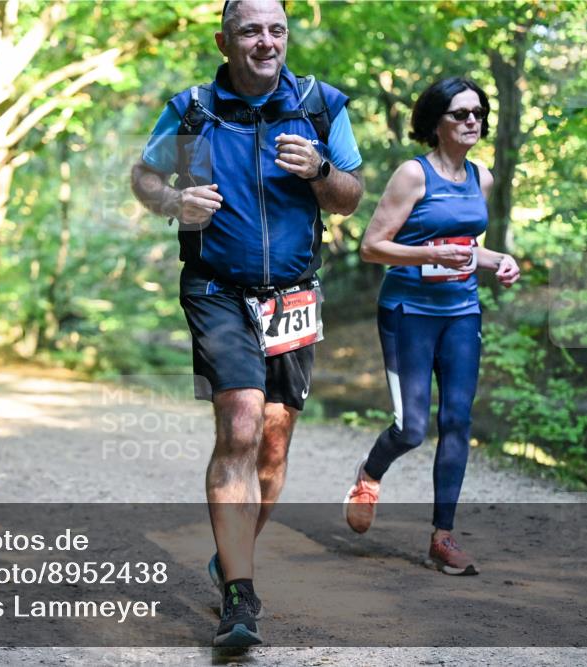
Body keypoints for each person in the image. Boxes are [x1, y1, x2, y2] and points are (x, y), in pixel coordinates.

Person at [130, 0, 363, 647]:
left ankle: (232, 555)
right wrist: (175, 200)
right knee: (240, 418)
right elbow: (144, 176)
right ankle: (241, 595)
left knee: (274, 440)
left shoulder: (321, 106)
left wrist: (320, 171)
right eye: (251, 29)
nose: (266, 41)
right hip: (215, 287)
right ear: (225, 39)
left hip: (292, 294)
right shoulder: (191, 110)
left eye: (276, 29)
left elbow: (350, 196)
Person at [343, 77, 520, 575]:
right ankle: (370, 472)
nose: (472, 121)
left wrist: (499, 259)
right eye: (460, 114)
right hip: (408, 313)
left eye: (478, 113)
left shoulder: (481, 177)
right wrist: (427, 252)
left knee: (458, 421)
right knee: (412, 427)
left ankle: (443, 537)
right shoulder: (412, 176)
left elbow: (467, 248)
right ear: (436, 123)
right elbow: (372, 246)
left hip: (461, 311)